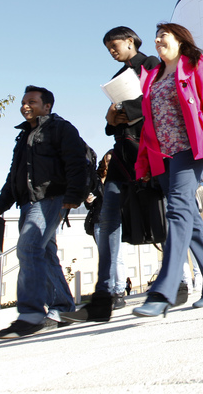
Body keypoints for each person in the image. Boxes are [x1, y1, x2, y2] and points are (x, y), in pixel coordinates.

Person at [132, 23, 203, 318]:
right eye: (155, 38)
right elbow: (147, 126)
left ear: (179, 40)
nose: (156, 41)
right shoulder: (152, 76)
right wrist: (142, 163)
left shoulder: (194, 64)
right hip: (162, 156)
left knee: (177, 211)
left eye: (162, 36)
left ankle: (163, 291)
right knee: (189, 219)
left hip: (190, 148)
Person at [64, 27, 162, 324]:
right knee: (108, 219)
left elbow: (156, 100)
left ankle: (182, 280)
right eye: (107, 47)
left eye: (114, 44)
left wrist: (124, 111)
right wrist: (111, 118)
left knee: (163, 216)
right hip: (122, 156)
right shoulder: (121, 76)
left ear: (130, 40)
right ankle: (107, 294)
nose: (111, 50)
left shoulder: (151, 66)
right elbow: (118, 120)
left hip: (148, 153)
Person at [0, 86, 89, 339]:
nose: (25, 106)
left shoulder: (60, 128)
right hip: (27, 203)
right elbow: (15, 175)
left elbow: (77, 162)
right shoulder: (24, 136)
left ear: (47, 106)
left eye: (32, 101)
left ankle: (30, 314)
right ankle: (63, 308)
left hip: (51, 198)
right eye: (23, 102)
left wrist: (74, 196)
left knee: (28, 248)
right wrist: (1, 204)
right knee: (44, 255)